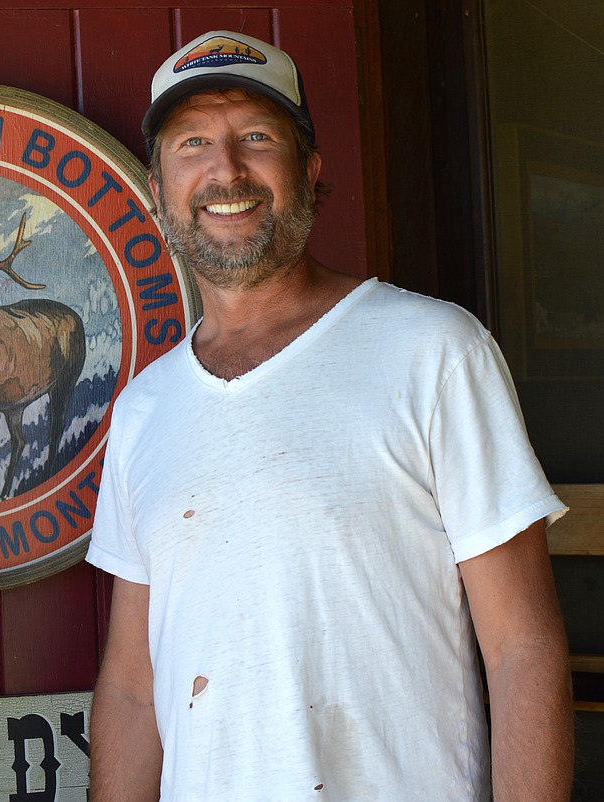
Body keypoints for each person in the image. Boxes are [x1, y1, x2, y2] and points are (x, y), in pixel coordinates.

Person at [86, 30, 573, 801]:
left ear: (310, 169)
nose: (226, 170)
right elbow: (131, 689)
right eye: (192, 145)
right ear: (157, 187)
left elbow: (523, 648)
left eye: (256, 137)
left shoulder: (433, 351)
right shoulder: (144, 412)